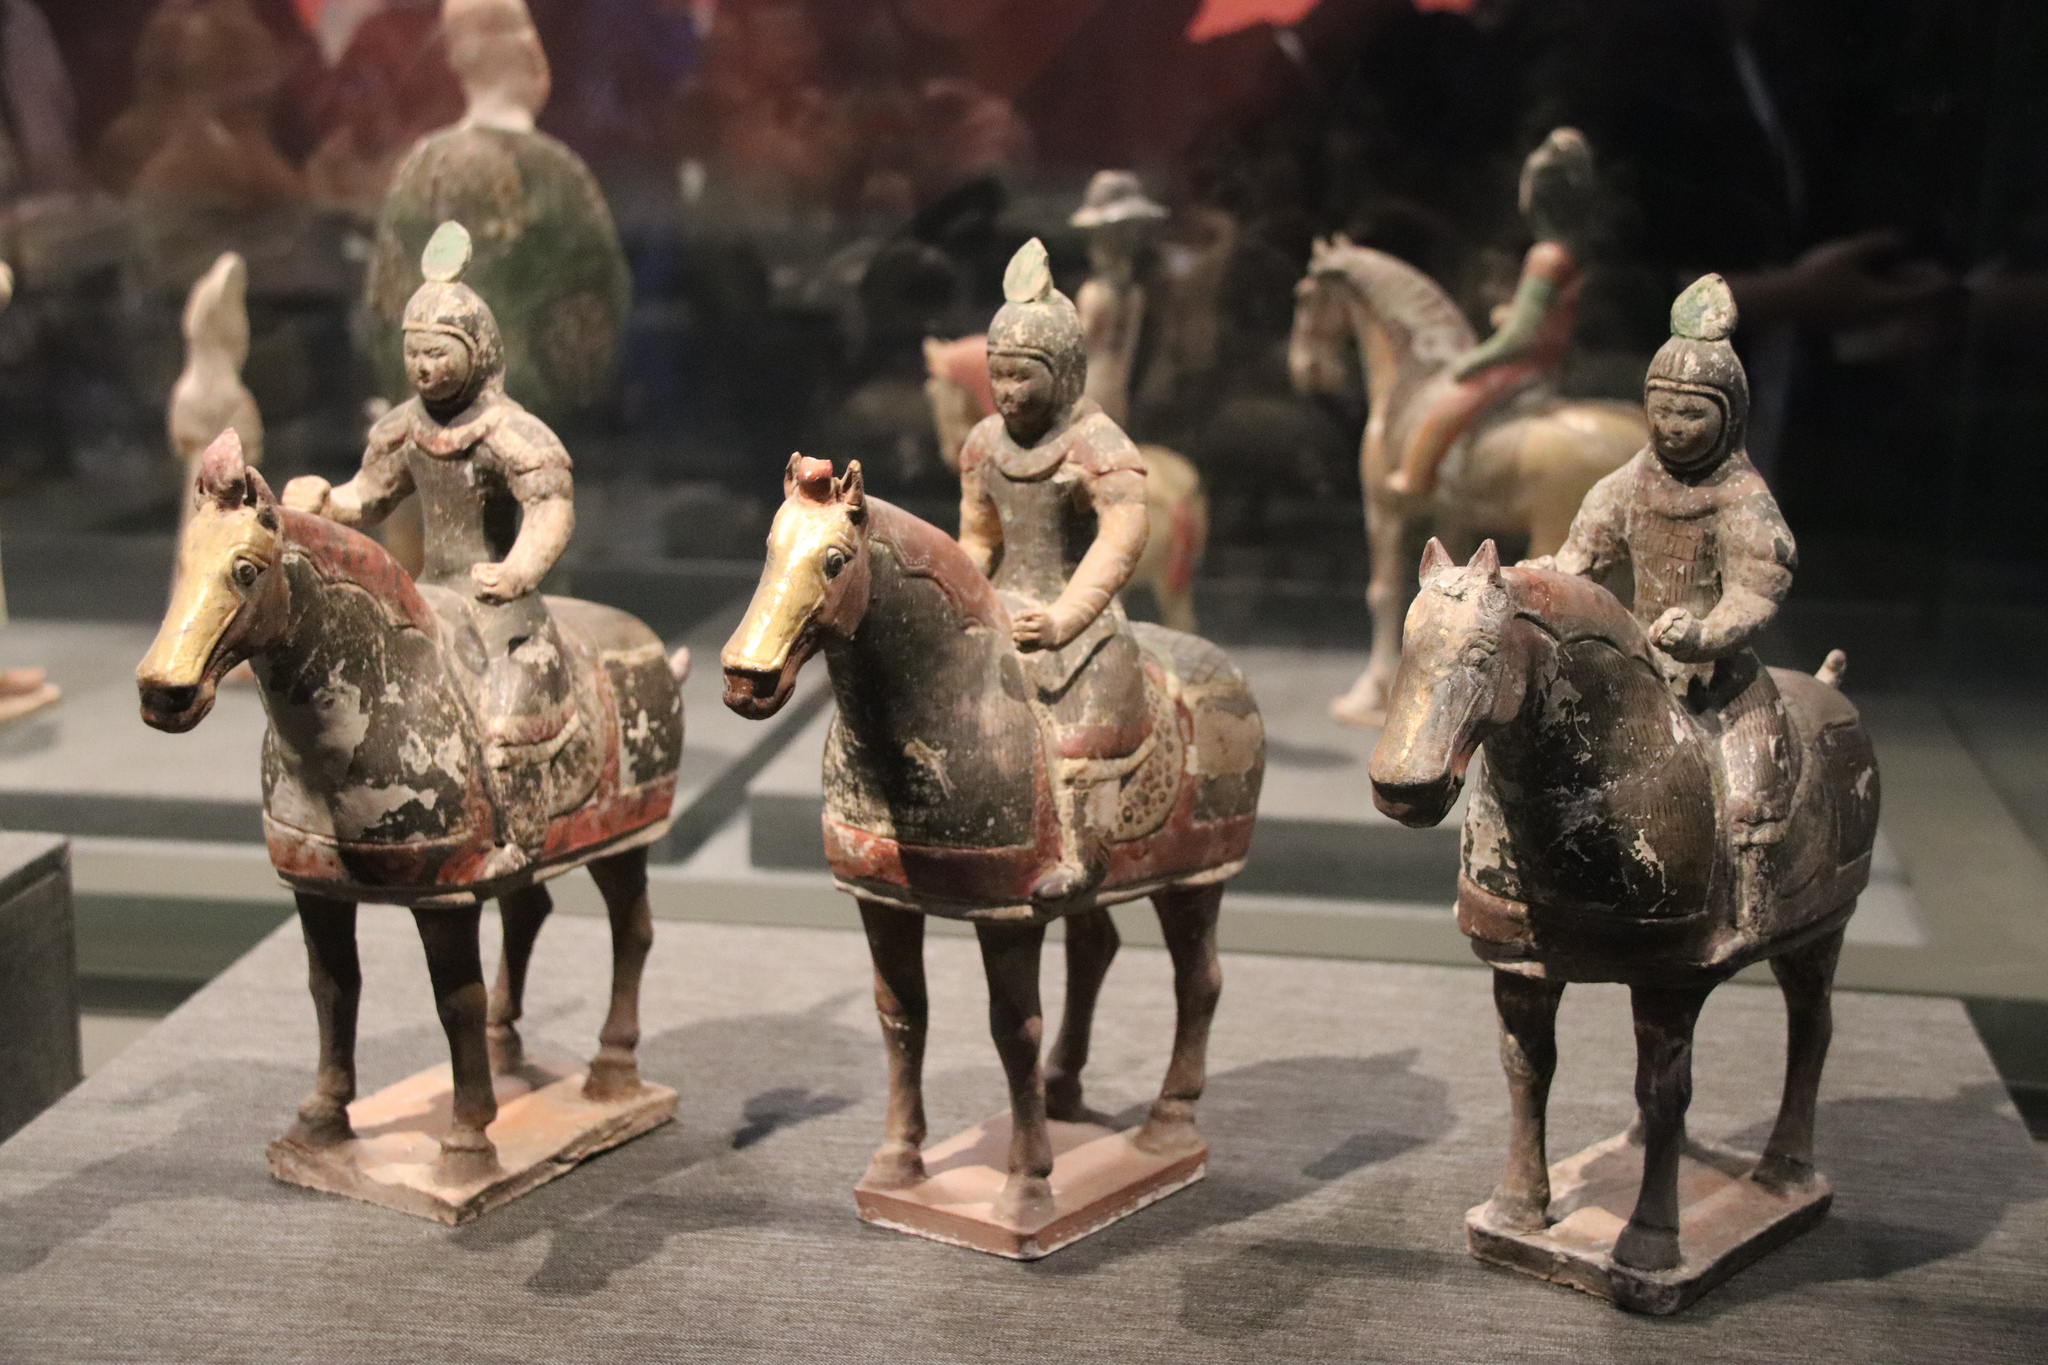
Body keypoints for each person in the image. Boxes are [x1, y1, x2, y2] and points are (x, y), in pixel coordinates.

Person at [283, 221, 577, 861]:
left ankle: (520, 837)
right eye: (415, 352)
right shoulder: (403, 427)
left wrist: (519, 570)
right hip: (431, 596)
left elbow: (549, 506)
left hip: (502, 606)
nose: (423, 366)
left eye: (439, 352)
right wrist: (326, 501)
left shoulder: (509, 431)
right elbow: (369, 495)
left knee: (511, 718)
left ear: (478, 352)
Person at [1540, 272, 1797, 933]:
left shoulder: (1741, 500)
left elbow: (1758, 586)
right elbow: (1584, 554)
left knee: (1754, 783)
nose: (1674, 427)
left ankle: (1749, 903)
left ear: (1730, 415)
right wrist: (1555, 575)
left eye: (1693, 412)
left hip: (1720, 678)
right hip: (1638, 665)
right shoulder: (1631, 481)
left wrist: (1710, 633)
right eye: (1663, 409)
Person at [958, 238, 1150, 901]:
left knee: (1081, 736)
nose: (1007, 391)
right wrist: (962, 594)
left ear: (1063, 370)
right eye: (999, 373)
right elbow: (979, 537)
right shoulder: (983, 443)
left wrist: (1066, 617)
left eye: (1023, 375)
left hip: (1079, 625)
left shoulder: (1097, 444)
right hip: (1003, 612)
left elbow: (1121, 539)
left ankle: (1083, 854)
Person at [1387, 128, 1597, 497]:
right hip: (1554, 356)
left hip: (1530, 362)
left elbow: (1522, 334)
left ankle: (1414, 479)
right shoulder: (1569, 253)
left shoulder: (1546, 257)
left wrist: (1473, 362)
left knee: (1450, 402)